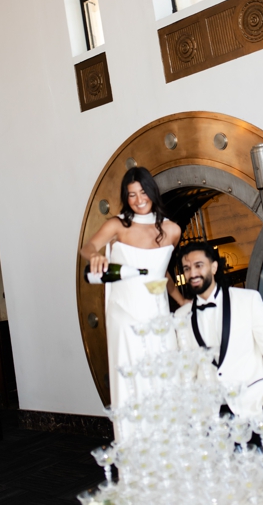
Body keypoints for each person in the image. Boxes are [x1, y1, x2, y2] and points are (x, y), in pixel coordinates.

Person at [80, 166, 182, 409]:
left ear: (152, 192)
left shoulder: (172, 230)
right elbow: (87, 247)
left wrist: (180, 299)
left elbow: (161, 272)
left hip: (157, 315)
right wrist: (95, 256)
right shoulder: (118, 225)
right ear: (126, 198)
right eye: (132, 194)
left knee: (164, 378)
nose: (139, 200)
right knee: (131, 380)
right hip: (124, 314)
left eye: (143, 192)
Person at [174, 241, 263, 432]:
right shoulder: (181, 317)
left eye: (198, 265)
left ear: (214, 266)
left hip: (253, 413)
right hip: (210, 423)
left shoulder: (248, 300)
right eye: (187, 268)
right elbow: (187, 374)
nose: (192, 273)